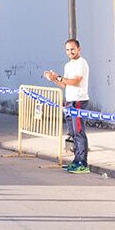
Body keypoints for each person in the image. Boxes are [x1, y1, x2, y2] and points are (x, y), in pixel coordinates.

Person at [43, 39, 90, 174]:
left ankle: (83, 162)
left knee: (79, 132)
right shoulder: (68, 65)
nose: (70, 52)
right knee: (73, 133)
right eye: (68, 50)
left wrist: (58, 77)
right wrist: (54, 79)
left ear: (79, 49)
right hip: (69, 101)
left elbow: (76, 81)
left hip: (78, 101)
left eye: (73, 49)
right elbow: (65, 85)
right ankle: (76, 160)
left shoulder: (82, 63)